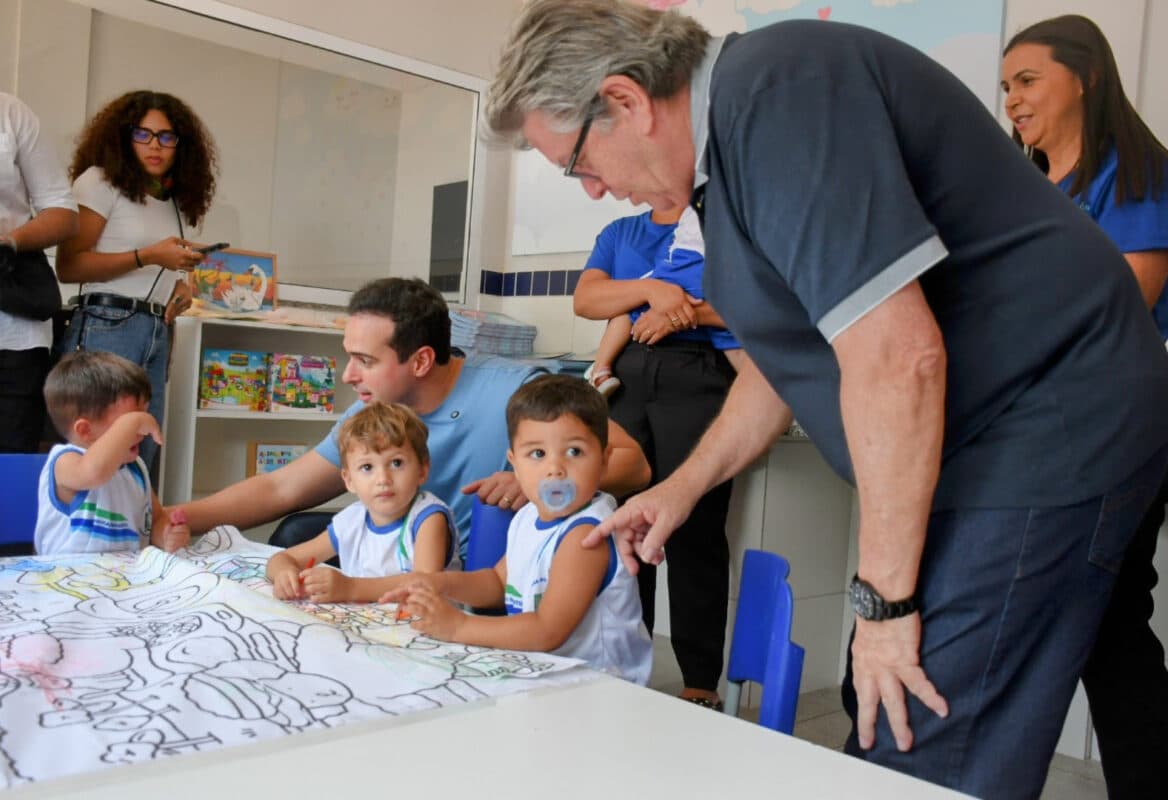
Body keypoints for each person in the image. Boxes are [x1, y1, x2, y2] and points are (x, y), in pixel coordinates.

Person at [485, 2, 1168, 797]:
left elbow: (900, 357)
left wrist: (884, 605)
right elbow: (783, 362)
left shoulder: (781, 96)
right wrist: (681, 487)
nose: (596, 190)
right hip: (987, 433)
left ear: (626, 100)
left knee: (919, 726)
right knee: (888, 695)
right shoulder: (724, 166)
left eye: (578, 164)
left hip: (1050, 420)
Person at [163, 278, 650, 560]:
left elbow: (634, 463)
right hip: (400, 564)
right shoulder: (372, 413)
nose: (348, 375)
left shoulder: (517, 390)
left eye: (365, 361)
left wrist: (534, 480)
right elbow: (280, 488)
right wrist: (171, 517)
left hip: (486, 573)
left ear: (420, 361)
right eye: (349, 356)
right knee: (297, 534)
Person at [1002, 16, 1168, 799]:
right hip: (1032, 430)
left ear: (1088, 77)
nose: (1013, 99)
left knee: (1109, 624)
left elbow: (1124, 306)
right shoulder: (1026, 191)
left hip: (1115, 428)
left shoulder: (1138, 177)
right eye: (1006, 86)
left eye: (1028, 80)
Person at [381, 374, 652, 684]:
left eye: (575, 452)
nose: (555, 469)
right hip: (545, 675)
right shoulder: (527, 517)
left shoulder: (586, 535)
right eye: (537, 454)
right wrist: (436, 583)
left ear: (604, 460)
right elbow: (497, 582)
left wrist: (458, 626)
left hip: (600, 687)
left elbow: (547, 630)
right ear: (515, 463)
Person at [576, 203, 739, 710]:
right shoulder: (622, 232)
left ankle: (700, 683)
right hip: (625, 378)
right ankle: (626, 664)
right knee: (622, 521)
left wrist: (683, 311)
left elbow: (758, 309)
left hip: (700, 368)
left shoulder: (723, 225)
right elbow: (587, 299)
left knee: (695, 526)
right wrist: (651, 292)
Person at [55, 90, 220, 475]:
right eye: (143, 134)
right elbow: (69, 266)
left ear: (181, 144)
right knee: (100, 454)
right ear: (123, 137)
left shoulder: (174, 200)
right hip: (107, 323)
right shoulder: (99, 182)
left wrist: (180, 286)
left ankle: (134, 517)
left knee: (141, 453)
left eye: (166, 137)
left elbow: (163, 265)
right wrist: (148, 256)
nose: (155, 146)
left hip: (156, 328)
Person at [0, 84, 78, 455]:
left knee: (3, 470)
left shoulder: (8, 112)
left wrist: (7, 242)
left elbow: (63, 213)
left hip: (10, 330)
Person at [266, 402, 459, 603]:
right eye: (367, 467)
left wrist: (350, 588)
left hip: (427, 622)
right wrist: (284, 575)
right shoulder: (351, 520)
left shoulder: (428, 518)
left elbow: (426, 583)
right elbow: (282, 558)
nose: (383, 479)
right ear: (349, 480)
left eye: (396, 463)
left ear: (422, 470)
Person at [36, 351, 190, 555]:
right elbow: (93, 473)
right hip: (65, 572)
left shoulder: (135, 469)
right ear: (85, 431)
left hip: (125, 573)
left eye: (144, 415)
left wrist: (167, 533)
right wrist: (132, 423)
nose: (142, 429)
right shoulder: (66, 461)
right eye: (128, 422)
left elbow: (155, 520)